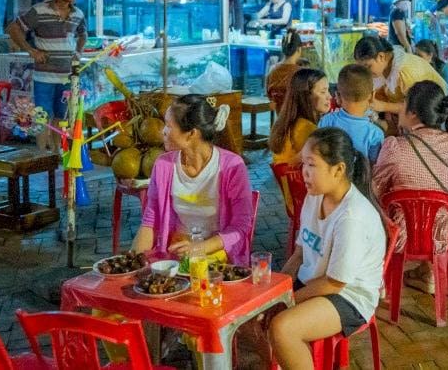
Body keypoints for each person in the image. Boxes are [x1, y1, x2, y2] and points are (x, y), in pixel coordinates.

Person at [268, 128, 385, 370]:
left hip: (348, 296)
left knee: (283, 327)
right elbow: (300, 253)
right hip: (314, 283)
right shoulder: (314, 196)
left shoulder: (352, 217)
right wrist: (275, 288)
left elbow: (335, 283)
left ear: (339, 169)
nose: (304, 173)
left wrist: (287, 300)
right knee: (253, 316)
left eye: (311, 165)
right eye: (303, 164)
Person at [372, 81, 448, 294]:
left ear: (413, 113)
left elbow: (376, 190)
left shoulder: (394, 147)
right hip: (446, 237)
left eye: (403, 105)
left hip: (403, 237)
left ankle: (376, 282)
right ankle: (429, 273)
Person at [132, 95, 253, 265]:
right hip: (176, 255)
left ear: (191, 134)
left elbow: (241, 227)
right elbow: (150, 222)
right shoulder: (163, 165)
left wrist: (198, 249)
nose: (163, 132)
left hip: (219, 257)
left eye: (168, 126)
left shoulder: (232, 166)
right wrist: (134, 263)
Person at [6, 0, 86, 148]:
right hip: (44, 76)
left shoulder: (78, 14)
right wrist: (31, 51)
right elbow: (13, 28)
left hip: (66, 76)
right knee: (42, 116)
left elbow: (83, 34)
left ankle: (55, 153)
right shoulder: (39, 11)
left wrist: (78, 52)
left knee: (60, 116)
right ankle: (42, 155)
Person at [353, 35, 448, 118]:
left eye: (368, 66)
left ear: (381, 57)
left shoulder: (405, 72)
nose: (366, 72)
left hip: (435, 113)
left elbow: (417, 106)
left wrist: (383, 106)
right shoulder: (383, 68)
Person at [318, 64, 385, 162]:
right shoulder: (375, 134)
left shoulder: (326, 121)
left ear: (337, 95)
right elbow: (374, 168)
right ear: (372, 96)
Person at [269, 69, 331, 166]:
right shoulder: (306, 128)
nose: (329, 96)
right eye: (323, 92)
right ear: (306, 96)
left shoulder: (287, 122)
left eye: (328, 90)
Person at [266, 29, 304, 109]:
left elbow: (269, 95)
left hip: (279, 114)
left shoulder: (272, 69)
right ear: (299, 49)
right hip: (297, 117)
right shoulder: (301, 72)